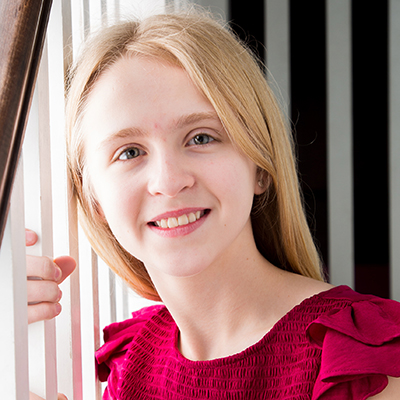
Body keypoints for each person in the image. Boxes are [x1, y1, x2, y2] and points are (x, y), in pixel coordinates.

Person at [28, 8, 400, 400]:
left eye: (201, 138)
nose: (169, 181)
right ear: (95, 201)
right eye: (130, 152)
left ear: (260, 166)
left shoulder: (363, 361)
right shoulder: (130, 364)